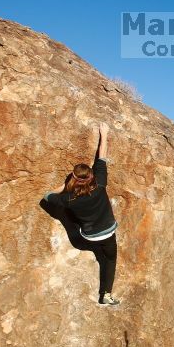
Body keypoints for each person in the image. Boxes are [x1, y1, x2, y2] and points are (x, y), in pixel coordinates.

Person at [44, 123, 120, 305]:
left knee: (67, 215)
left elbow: (47, 196)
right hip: (108, 233)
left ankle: (91, 243)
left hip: (88, 237)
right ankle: (106, 295)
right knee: (110, 260)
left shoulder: (68, 199)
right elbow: (102, 155)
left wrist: (68, 184)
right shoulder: (100, 185)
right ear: (91, 177)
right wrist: (104, 133)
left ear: (73, 177)